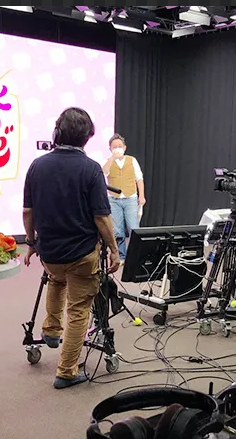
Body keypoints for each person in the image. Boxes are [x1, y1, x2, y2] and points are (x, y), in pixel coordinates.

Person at [22, 107, 121, 390]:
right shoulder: (91, 169)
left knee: (56, 280)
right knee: (79, 310)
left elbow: (28, 212)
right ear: (87, 138)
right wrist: (114, 250)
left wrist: (31, 243)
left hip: (50, 254)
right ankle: (67, 372)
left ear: (57, 133)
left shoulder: (37, 166)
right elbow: (101, 218)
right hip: (82, 255)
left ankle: (51, 330)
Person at [102, 134, 146, 262]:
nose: (117, 148)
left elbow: (139, 178)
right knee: (117, 230)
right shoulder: (108, 161)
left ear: (125, 147)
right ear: (110, 148)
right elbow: (104, 172)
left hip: (130, 198)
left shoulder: (132, 160)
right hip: (113, 199)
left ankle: (135, 256)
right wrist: (112, 158)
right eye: (114, 147)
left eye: (119, 146)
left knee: (133, 228)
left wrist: (141, 196)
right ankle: (121, 256)